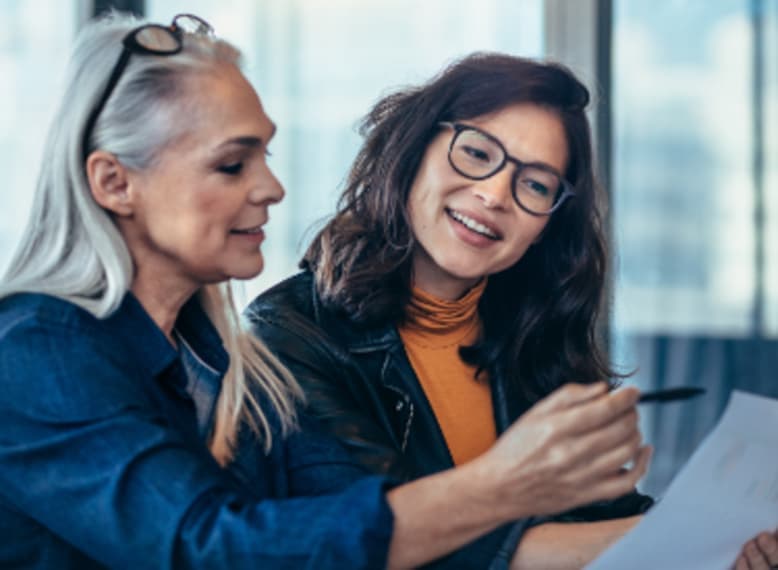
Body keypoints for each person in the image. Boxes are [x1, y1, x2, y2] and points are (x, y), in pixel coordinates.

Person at [0, 12, 656, 570]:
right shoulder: (37, 350)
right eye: (232, 164)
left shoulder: (226, 363)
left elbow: (344, 525)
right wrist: (503, 482)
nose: (271, 189)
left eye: (266, 157)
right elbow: (213, 548)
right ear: (114, 183)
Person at [245, 53, 778, 568]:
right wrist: (678, 536)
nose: (496, 194)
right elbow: (395, 543)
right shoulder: (288, 335)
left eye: (536, 185)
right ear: (413, 150)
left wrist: (729, 544)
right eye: (477, 153)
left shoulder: (536, 337)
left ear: (548, 224)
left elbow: (601, 515)